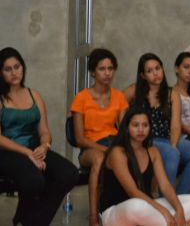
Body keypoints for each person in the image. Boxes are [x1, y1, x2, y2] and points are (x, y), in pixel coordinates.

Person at [0, 47, 79, 226]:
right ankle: (26, 218)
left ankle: (32, 222)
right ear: (0, 72)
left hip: (34, 148)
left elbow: (44, 132)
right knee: (35, 181)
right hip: (8, 151)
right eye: (8, 69)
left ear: (23, 67)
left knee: (69, 174)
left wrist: (44, 146)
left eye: (17, 67)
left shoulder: (34, 94)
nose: (14, 72)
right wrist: (28, 153)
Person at [99, 105, 190, 226]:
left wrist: (179, 210)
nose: (141, 130)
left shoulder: (153, 152)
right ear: (127, 128)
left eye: (145, 125)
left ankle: (173, 222)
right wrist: (164, 211)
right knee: (135, 206)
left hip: (146, 206)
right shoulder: (118, 152)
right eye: (135, 125)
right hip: (116, 211)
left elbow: (165, 185)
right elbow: (132, 192)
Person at [124, 53, 190, 194]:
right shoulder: (135, 90)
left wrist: (173, 145)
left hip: (167, 139)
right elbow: (116, 104)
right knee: (171, 153)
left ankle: (179, 197)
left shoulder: (171, 93)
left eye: (158, 68)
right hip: (146, 140)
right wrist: (123, 130)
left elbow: (175, 125)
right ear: (143, 75)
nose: (155, 73)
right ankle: (166, 198)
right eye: (150, 71)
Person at [71, 47, 129, 226]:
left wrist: (116, 148)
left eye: (110, 68)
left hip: (114, 144)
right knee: (100, 158)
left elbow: (125, 131)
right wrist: (106, 149)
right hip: (90, 148)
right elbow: (79, 139)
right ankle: (93, 216)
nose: (107, 73)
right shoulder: (81, 98)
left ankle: (128, 210)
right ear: (93, 72)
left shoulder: (119, 97)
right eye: (102, 69)